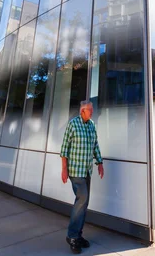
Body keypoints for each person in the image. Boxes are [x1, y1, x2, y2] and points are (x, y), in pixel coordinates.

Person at [60, 100, 104, 254]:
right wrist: (64, 169)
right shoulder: (73, 124)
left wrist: (100, 163)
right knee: (82, 199)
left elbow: (95, 145)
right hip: (75, 171)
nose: (92, 112)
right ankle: (72, 236)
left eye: (92, 110)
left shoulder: (92, 125)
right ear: (82, 111)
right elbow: (64, 148)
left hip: (87, 171)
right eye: (89, 110)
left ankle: (77, 236)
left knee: (84, 204)